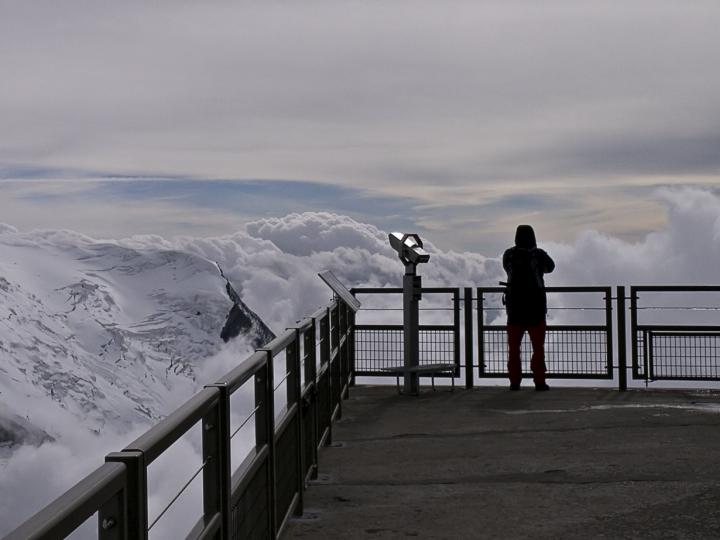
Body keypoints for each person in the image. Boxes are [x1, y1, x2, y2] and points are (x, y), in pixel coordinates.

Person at [502, 225, 555, 391]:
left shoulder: (509, 254)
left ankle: (514, 382)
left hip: (514, 310)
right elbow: (551, 267)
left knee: (514, 350)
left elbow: (506, 268)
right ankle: (539, 382)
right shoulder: (538, 255)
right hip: (536, 310)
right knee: (538, 349)